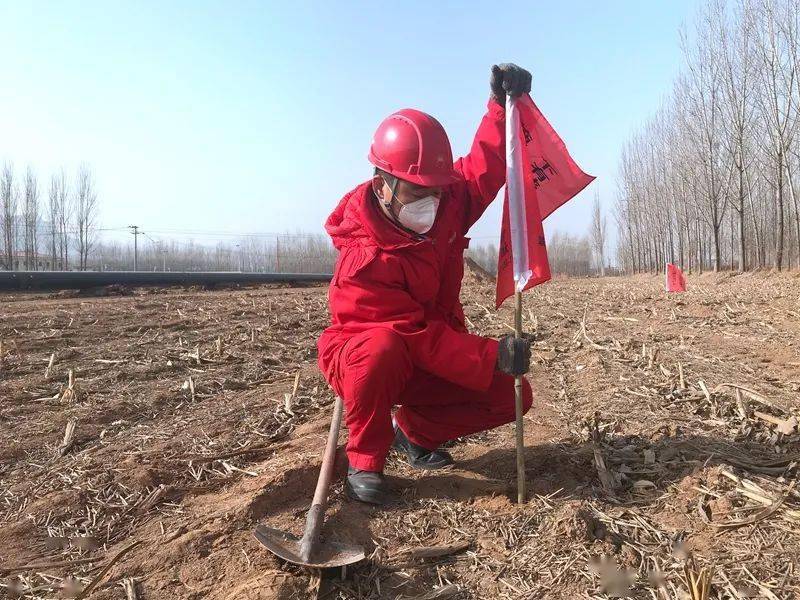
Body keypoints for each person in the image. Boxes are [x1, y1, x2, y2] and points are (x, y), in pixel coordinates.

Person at [318, 64, 534, 505]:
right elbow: (409, 336)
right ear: (383, 186)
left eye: (437, 192)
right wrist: (490, 354)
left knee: (511, 395)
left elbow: (484, 170)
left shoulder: (442, 200)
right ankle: (366, 459)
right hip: (369, 356)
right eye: (418, 195)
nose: (431, 205)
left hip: (431, 348)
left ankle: (414, 433)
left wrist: (501, 108)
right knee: (380, 352)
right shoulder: (365, 256)